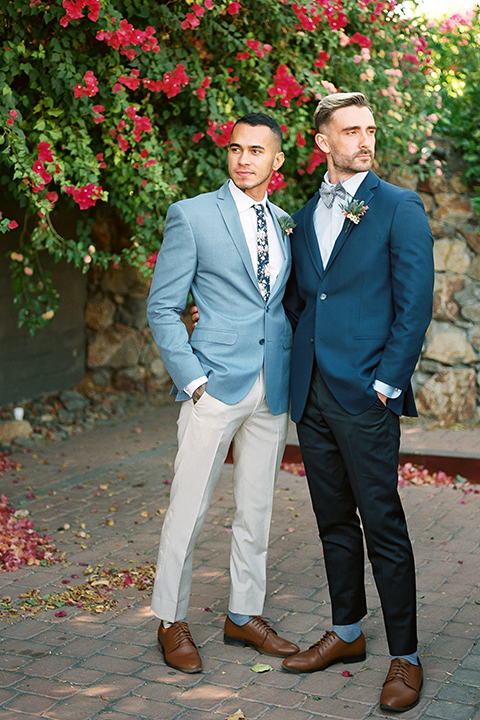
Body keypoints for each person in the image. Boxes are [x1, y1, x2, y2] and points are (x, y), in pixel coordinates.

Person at [280, 92, 434, 713]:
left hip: (366, 395)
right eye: (350, 131)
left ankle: (407, 655)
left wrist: (385, 385)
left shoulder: (399, 208)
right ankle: (347, 632)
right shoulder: (300, 213)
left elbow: (414, 305)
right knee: (332, 520)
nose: (364, 140)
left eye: (369, 129)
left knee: (383, 524)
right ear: (323, 142)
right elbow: (301, 299)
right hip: (313, 394)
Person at [146, 112, 299, 674]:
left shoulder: (285, 221)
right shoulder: (191, 216)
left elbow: (280, 304)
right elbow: (162, 305)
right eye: (236, 149)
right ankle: (170, 619)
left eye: (257, 150)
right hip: (212, 385)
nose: (244, 159)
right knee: (188, 506)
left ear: (276, 162)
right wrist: (191, 379)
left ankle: (244, 614)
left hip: (271, 386)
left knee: (256, 508)